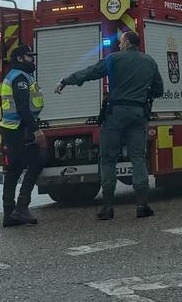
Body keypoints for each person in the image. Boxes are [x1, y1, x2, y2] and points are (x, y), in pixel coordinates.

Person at [56, 30, 164, 220]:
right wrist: (143, 96)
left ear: (128, 42)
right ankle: (142, 205)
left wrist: (66, 81)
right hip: (138, 114)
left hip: (115, 114)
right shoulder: (150, 62)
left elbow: (90, 72)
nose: (120, 44)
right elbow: (159, 89)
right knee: (138, 158)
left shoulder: (113, 59)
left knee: (108, 159)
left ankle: (107, 208)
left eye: (122, 41)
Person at [0, 44, 45, 227]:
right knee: (37, 161)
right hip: (18, 128)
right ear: (19, 58)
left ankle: (10, 214)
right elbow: (23, 108)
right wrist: (36, 130)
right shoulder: (20, 79)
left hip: (12, 128)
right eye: (29, 56)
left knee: (15, 169)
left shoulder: (17, 76)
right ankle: (21, 208)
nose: (32, 59)